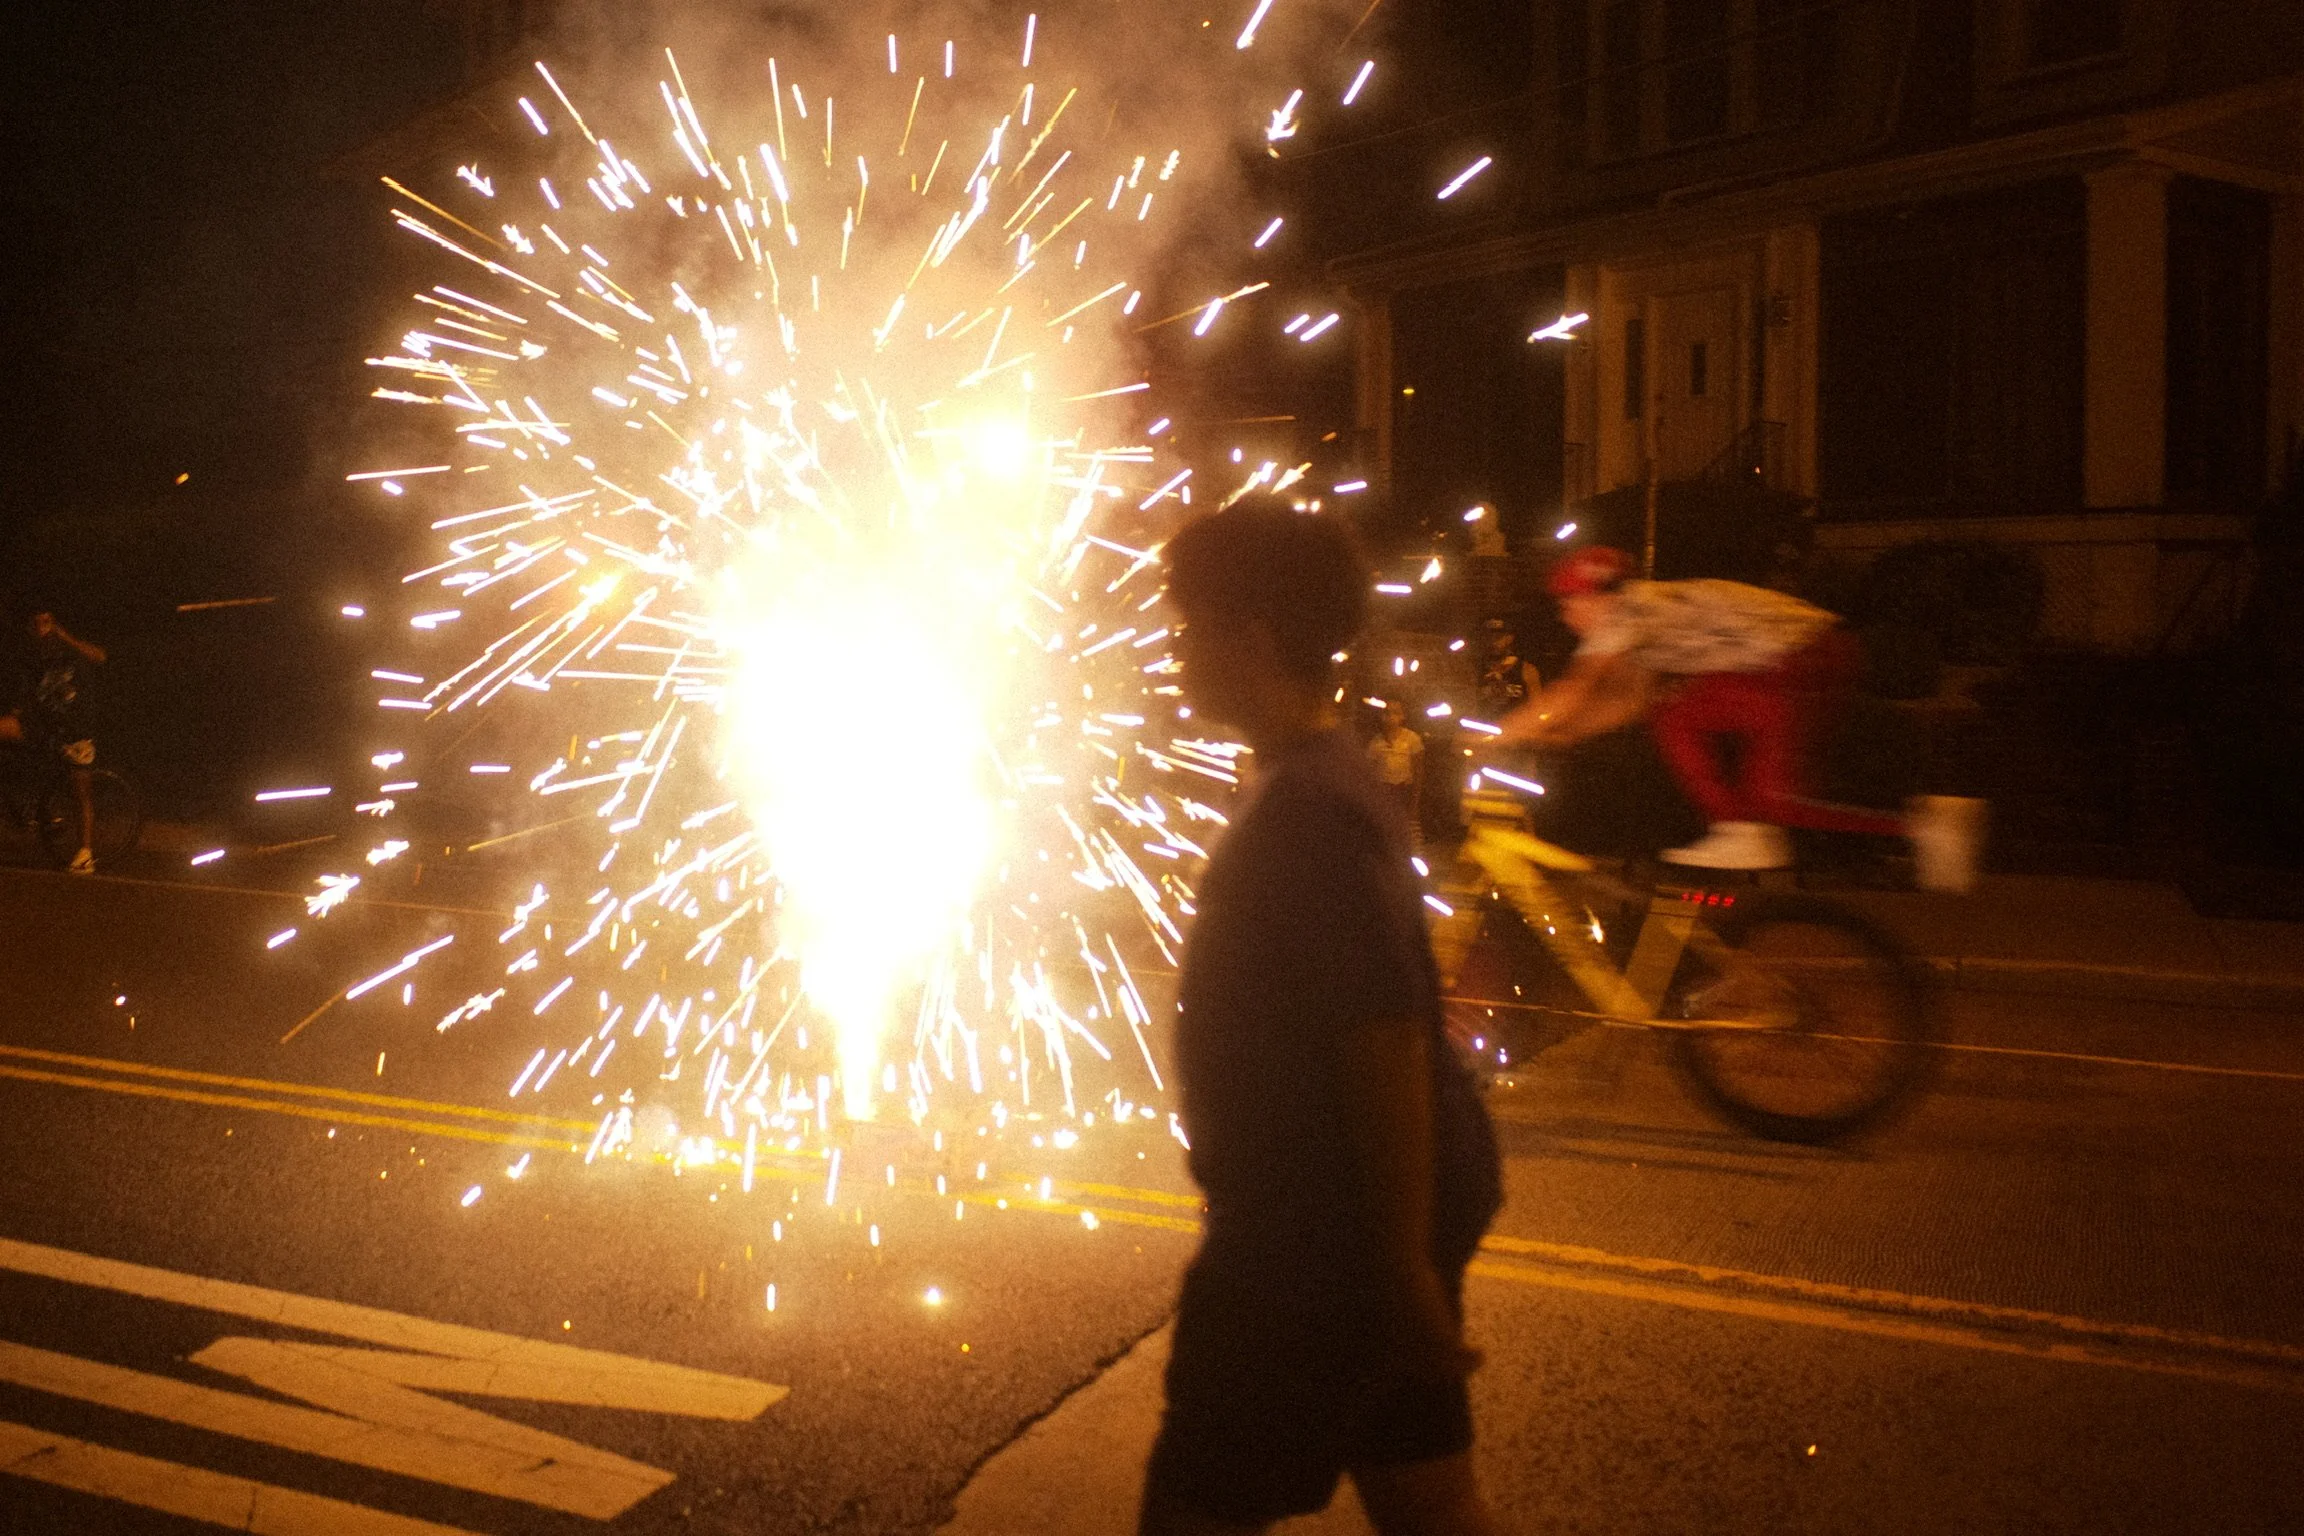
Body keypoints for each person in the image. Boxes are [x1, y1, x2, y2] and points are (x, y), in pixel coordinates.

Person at [1145, 496, 1503, 1536]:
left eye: (1187, 622)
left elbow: (1383, 1039)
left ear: (1247, 637)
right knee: (1432, 1504)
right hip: (1349, 1240)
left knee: (1192, 1517)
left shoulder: (1305, 817)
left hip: (1303, 1256)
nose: (1173, 646)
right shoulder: (1327, 779)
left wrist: (1397, 1274)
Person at [1499, 547, 1983, 889]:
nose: (1565, 615)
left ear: (1599, 594)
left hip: (1799, 660)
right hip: (1810, 659)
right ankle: (1923, 826)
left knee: (1680, 715)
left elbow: (1574, 690)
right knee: (1774, 801)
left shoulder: (1630, 613)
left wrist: (1499, 733)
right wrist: (1562, 737)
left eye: (1569, 601)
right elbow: (1625, 705)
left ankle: (1737, 828)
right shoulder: (1649, 617)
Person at [1, 606, 108, 873]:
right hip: (43, 726)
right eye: (37, 623)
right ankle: (24, 809)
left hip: (75, 730)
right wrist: (18, 710)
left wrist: (62, 635)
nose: (42, 628)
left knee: (80, 792)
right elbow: (30, 692)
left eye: (46, 622)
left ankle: (85, 853)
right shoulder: (35, 656)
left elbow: (100, 657)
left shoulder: (73, 652)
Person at [1366, 699, 1425, 842]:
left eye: (1396, 713)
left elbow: (1419, 770)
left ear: (1402, 716)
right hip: (1384, 792)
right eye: (1387, 713)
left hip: (1404, 790)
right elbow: (1369, 773)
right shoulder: (1376, 743)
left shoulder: (1412, 739)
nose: (1391, 717)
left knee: (1407, 834)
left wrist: (1415, 800)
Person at [1474, 620, 1537, 721]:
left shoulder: (1526, 669)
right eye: (1488, 637)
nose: (1493, 642)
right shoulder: (1474, 669)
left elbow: (1536, 706)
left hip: (1515, 731)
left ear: (1510, 638)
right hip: (1481, 731)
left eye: (1498, 637)